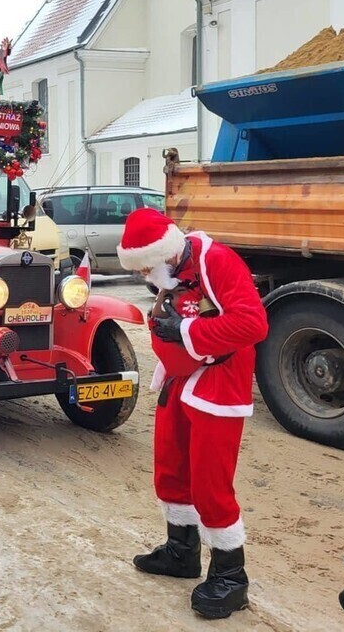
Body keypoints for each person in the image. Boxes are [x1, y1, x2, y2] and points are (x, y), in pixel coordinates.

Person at [117, 207, 268, 620]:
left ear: (165, 252)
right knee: (170, 465)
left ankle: (231, 576)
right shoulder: (171, 270)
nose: (144, 275)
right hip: (182, 378)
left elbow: (253, 325)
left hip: (219, 382)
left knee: (210, 480)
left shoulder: (216, 261)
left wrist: (185, 333)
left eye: (146, 266)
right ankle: (182, 552)